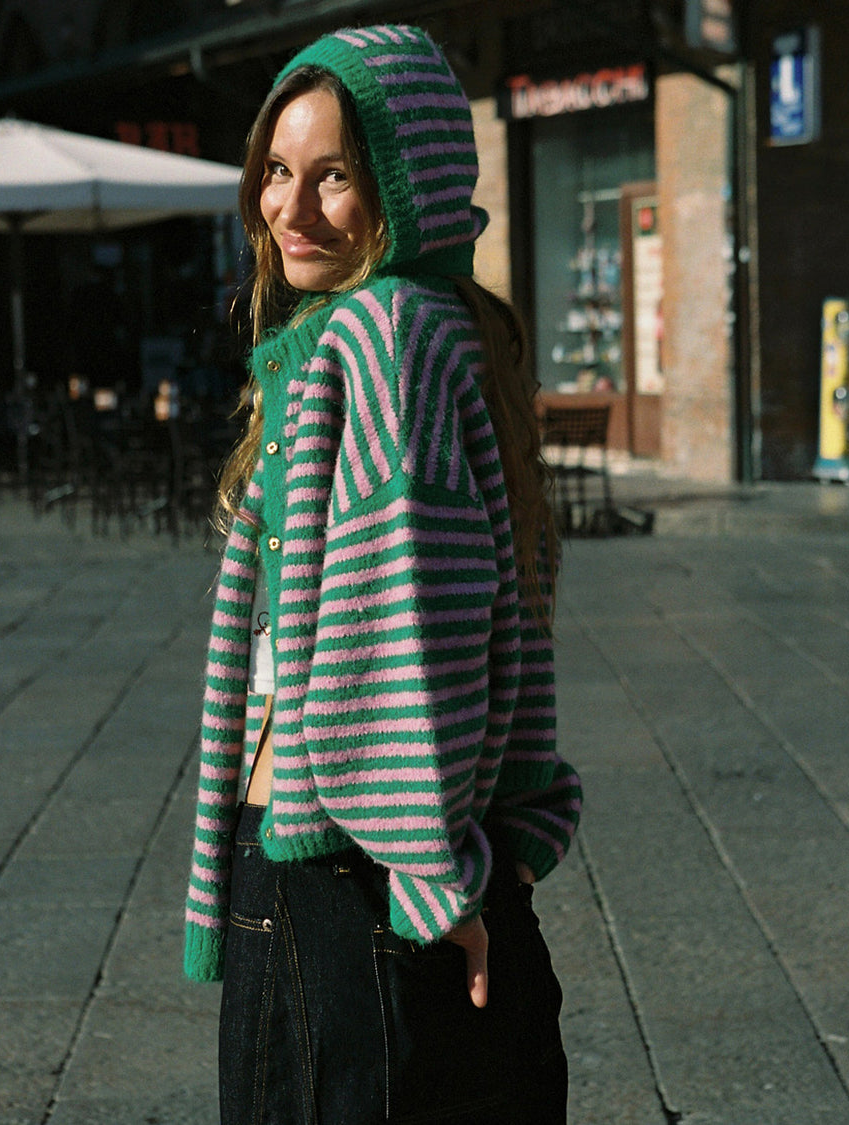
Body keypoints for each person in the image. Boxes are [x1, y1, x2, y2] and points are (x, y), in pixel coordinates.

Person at [184, 23, 583, 1125]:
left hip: (343, 880)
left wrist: (429, 874)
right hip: (406, 868)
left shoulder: (378, 335)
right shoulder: (451, 326)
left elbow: (403, 623)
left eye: (334, 177)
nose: (289, 208)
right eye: (275, 170)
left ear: (408, 186)